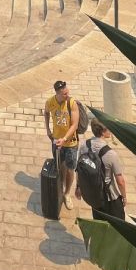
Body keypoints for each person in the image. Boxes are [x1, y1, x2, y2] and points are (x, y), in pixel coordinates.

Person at [75, 120, 127, 221]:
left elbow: (79, 169)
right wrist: (124, 197)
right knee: (118, 229)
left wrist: (78, 187)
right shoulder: (111, 154)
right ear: (103, 132)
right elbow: (120, 181)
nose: (110, 130)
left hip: (95, 196)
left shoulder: (84, 146)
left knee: (99, 225)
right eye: (108, 128)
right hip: (110, 198)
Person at [43, 80, 80, 210]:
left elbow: (74, 125)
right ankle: (62, 184)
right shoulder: (50, 102)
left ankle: (67, 193)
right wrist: (47, 129)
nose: (67, 95)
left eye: (67, 92)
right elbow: (46, 113)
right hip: (56, 141)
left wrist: (64, 139)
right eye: (64, 94)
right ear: (57, 94)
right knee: (60, 165)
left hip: (70, 143)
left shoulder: (72, 103)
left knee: (70, 169)